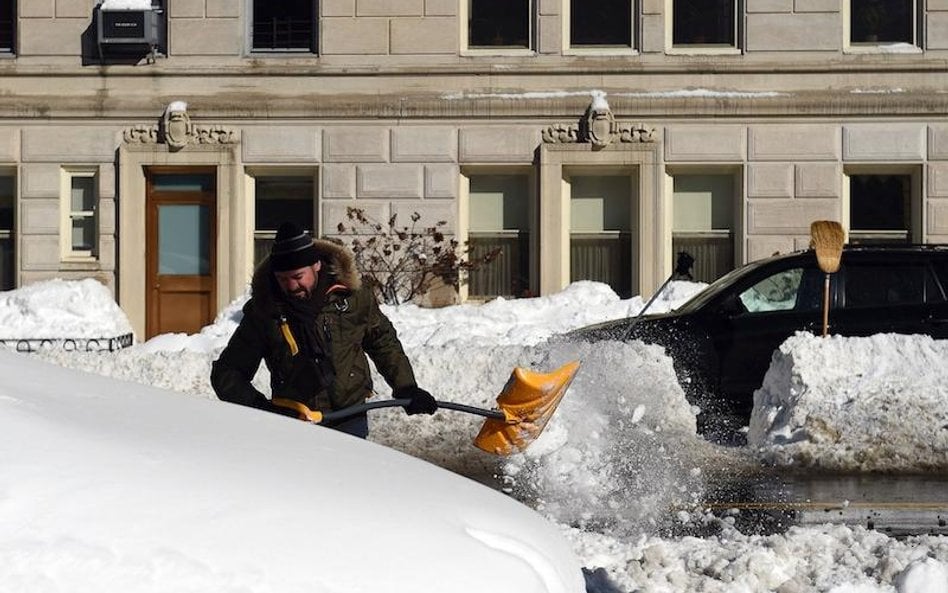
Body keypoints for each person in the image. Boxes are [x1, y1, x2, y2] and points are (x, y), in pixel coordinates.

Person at [211, 222, 437, 438]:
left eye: (298, 277)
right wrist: (262, 410)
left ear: (316, 265)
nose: (291, 286)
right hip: (293, 423)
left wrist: (407, 387)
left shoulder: (353, 298)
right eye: (282, 279)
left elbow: (383, 342)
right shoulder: (264, 311)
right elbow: (227, 373)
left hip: (350, 417)